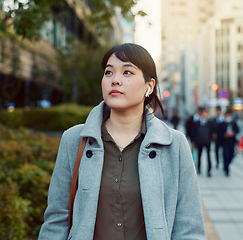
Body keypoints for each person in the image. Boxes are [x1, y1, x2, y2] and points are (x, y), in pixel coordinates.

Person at [39, 43, 205, 239]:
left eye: (127, 72)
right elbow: (56, 220)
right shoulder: (74, 140)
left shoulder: (174, 145)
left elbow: (188, 229)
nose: (115, 80)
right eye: (108, 73)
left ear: (149, 86)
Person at [217, 109, 240, 176]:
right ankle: (226, 168)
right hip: (225, 141)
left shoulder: (233, 122)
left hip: (232, 141)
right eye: (227, 115)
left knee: (231, 154)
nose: (228, 117)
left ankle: (227, 164)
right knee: (225, 154)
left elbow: (237, 130)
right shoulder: (222, 123)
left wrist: (233, 133)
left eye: (229, 115)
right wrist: (224, 134)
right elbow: (219, 132)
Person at [193, 108, 214, 177]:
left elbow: (212, 132)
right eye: (203, 114)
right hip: (199, 142)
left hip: (207, 142)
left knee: (208, 156)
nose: (205, 115)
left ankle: (209, 170)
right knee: (199, 156)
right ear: (201, 114)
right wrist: (194, 141)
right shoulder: (197, 123)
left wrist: (210, 139)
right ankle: (198, 168)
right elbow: (194, 132)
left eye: (206, 114)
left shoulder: (210, 123)